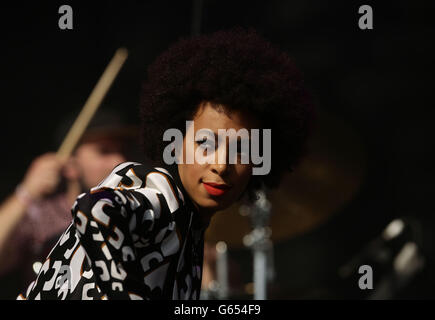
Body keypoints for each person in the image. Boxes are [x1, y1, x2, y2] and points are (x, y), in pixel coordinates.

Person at [18, 28, 314, 300]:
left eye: (242, 150)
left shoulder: (189, 231)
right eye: (205, 144)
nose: (222, 166)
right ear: (176, 143)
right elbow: (96, 210)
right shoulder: (158, 193)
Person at [0, 113, 138, 298]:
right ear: (71, 165)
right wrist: (26, 192)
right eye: (104, 151)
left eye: (122, 151)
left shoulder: (138, 213)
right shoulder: (41, 216)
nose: (119, 161)